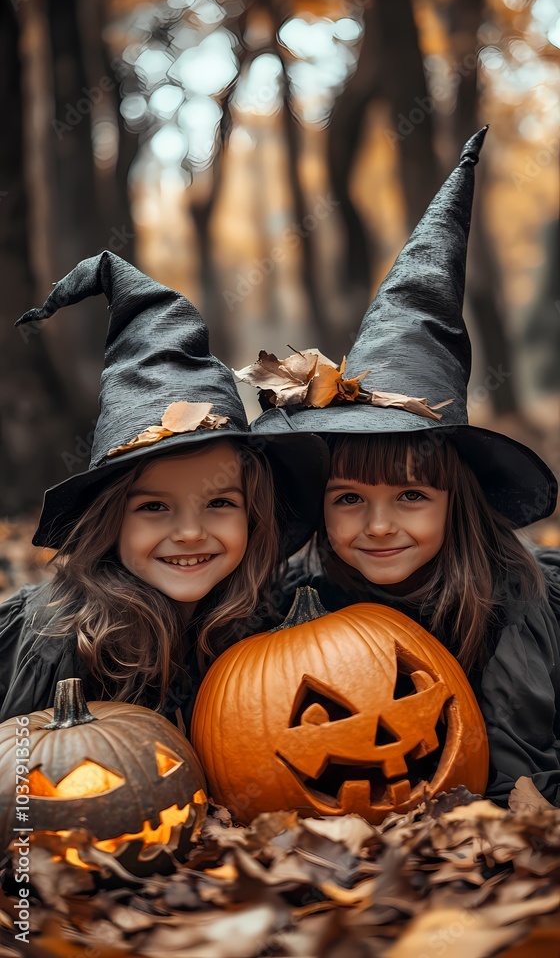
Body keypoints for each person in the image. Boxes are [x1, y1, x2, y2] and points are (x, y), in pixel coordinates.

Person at [237, 127, 560, 808]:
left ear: (457, 502)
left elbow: (518, 776)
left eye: (412, 494)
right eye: (349, 498)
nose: (378, 525)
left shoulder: (522, 599)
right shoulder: (295, 601)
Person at [0, 252, 328, 731]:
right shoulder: (56, 640)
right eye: (154, 507)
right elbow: (20, 779)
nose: (191, 532)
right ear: (110, 521)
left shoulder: (274, 610)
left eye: (219, 503)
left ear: (254, 514)